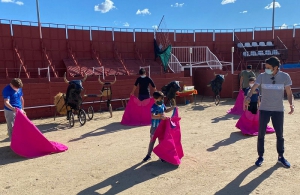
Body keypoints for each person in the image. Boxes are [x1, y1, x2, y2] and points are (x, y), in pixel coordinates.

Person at [244, 56, 294, 168]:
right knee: (261, 134)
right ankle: (260, 156)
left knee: (280, 135)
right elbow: (253, 88)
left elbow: (289, 93)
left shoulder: (285, 77)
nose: (266, 69)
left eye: (268, 67)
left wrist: (291, 104)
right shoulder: (262, 76)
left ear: (275, 67)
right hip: (264, 109)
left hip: (278, 110)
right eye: (265, 67)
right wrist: (248, 96)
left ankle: (281, 157)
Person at [143, 91, 174, 162]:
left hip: (162, 126)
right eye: (160, 99)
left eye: (162, 99)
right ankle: (148, 155)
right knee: (152, 140)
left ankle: (161, 155)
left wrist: (173, 108)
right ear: (155, 99)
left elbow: (166, 110)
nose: (161, 100)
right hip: (155, 126)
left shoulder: (162, 104)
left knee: (161, 141)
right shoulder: (153, 107)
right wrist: (160, 117)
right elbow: (152, 116)